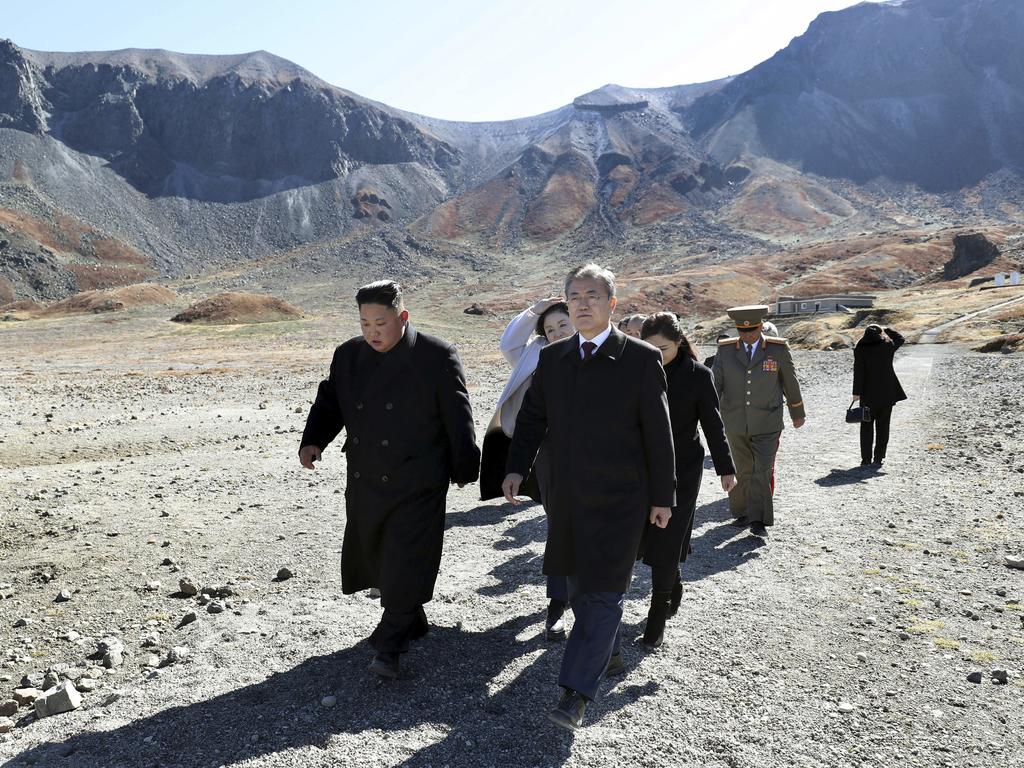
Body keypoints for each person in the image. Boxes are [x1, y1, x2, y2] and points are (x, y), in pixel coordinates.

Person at [502, 264, 675, 731]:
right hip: (569, 497)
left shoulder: (640, 359)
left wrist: (664, 496)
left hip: (623, 498)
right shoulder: (553, 360)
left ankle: (575, 693)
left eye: (592, 295)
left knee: (603, 592)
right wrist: (516, 466)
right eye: (574, 296)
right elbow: (533, 418)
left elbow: (660, 434)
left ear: (612, 304)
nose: (581, 303)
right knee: (578, 585)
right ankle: (610, 650)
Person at [298, 280, 480, 679]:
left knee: (407, 554)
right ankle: (410, 619)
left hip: (419, 477)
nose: (372, 331)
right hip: (366, 476)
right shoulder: (348, 355)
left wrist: (465, 465)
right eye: (364, 323)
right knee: (379, 553)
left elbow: (457, 413)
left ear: (403, 316)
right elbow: (331, 401)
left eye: (380, 322)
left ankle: (390, 644)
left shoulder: (436, 355)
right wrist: (313, 440)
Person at [639, 313, 736, 649]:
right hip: (640, 469)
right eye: (648, 348)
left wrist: (726, 468)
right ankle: (674, 579)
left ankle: (657, 611)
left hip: (683, 469)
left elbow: (713, 425)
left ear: (679, 343)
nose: (655, 355)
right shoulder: (635, 371)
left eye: (662, 349)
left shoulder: (698, 376)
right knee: (648, 536)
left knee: (666, 538)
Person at [479, 297, 573, 639]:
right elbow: (509, 343)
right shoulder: (536, 356)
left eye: (564, 324)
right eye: (549, 329)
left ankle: (593, 602)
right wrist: (535, 310)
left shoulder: (602, 353)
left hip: (598, 456)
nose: (557, 332)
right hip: (548, 453)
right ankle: (557, 605)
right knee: (561, 526)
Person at [712, 305, 805, 537]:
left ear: (761, 326)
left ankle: (758, 521)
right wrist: (705, 414)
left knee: (761, 470)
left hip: (768, 421)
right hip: (735, 422)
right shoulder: (725, 351)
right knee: (743, 469)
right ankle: (742, 513)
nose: (747, 335)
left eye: (752, 330)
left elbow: (790, 383)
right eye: (742, 331)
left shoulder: (777, 349)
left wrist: (797, 413)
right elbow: (714, 385)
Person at [852, 324, 906, 467]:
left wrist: (856, 393)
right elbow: (900, 338)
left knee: (866, 427)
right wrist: (886, 329)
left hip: (867, 395)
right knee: (883, 426)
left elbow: (858, 372)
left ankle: (865, 459)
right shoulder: (887, 346)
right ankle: (879, 457)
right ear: (879, 334)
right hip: (887, 394)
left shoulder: (860, 349)